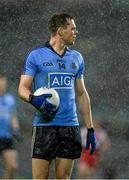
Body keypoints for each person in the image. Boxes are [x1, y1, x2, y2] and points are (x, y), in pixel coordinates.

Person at [18, 13, 96, 179]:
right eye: (72, 28)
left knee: (63, 177)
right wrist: (33, 99)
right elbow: (22, 88)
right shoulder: (36, 56)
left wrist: (90, 128)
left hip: (69, 126)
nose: (76, 32)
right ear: (60, 31)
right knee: (39, 178)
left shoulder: (77, 58)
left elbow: (81, 93)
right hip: (44, 126)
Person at [0, 74, 22, 179]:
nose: (2, 85)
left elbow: (13, 117)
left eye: (4, 82)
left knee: (12, 165)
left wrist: (16, 129)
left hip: (6, 137)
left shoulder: (10, 99)